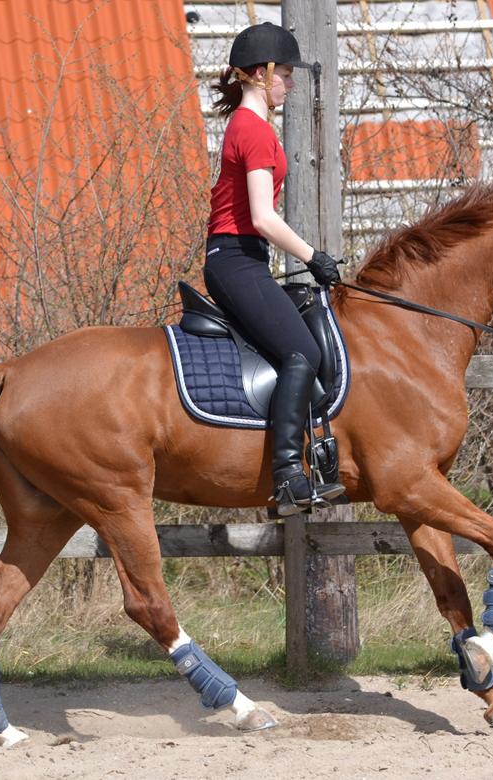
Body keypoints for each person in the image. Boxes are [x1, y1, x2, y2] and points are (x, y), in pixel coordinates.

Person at [204, 21, 345, 517]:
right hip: (237, 259)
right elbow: (263, 218)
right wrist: (313, 257)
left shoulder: (246, 127)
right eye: (285, 73)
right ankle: (287, 474)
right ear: (262, 74)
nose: (289, 82)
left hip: (242, 260)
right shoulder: (255, 130)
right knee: (302, 351)